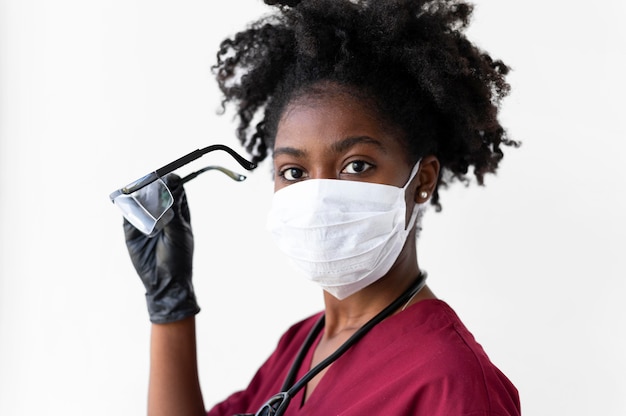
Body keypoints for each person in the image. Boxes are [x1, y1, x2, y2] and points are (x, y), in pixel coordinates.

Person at [121, 0, 522, 414]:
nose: (319, 196)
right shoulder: (301, 345)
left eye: (356, 165)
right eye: (293, 172)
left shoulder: (451, 381)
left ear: (422, 180)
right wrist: (170, 305)